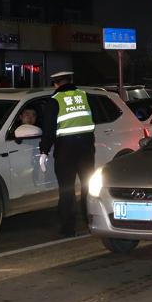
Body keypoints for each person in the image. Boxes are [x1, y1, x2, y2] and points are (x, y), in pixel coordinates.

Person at [39, 71, 96, 237]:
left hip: (65, 150)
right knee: (88, 186)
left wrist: (44, 150)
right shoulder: (85, 96)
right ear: (71, 81)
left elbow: (49, 129)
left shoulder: (54, 101)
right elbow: (94, 118)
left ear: (55, 84)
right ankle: (91, 221)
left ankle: (68, 227)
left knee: (67, 189)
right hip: (86, 148)